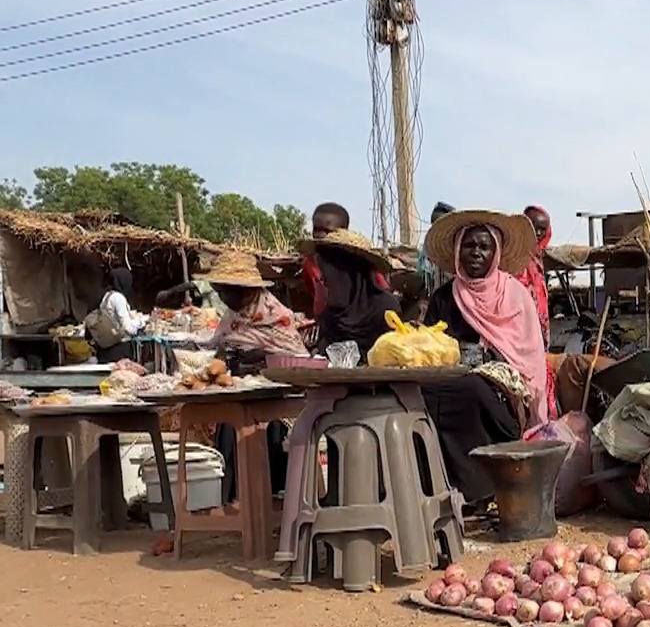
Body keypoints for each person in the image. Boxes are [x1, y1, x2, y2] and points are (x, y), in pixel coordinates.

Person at [419, 209, 551, 505]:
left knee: (472, 389)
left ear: (496, 252)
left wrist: (485, 361)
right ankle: (439, 487)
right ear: (457, 251)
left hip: (504, 396)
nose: (475, 253)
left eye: (484, 246)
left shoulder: (515, 295)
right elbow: (429, 347)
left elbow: (528, 360)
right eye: (469, 246)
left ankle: (480, 490)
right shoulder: (443, 298)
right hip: (447, 383)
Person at [301, 226, 400, 355]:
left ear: (351, 271)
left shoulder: (386, 312)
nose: (324, 279)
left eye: (331, 269)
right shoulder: (330, 316)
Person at [202, 250, 306, 359]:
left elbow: (297, 357)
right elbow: (221, 340)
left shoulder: (275, 315)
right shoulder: (234, 314)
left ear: (247, 292)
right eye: (219, 292)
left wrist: (258, 355)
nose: (223, 299)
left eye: (225, 293)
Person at [89, 267, 148, 363]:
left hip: (105, 348)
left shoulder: (107, 296)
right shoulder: (118, 298)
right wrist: (142, 323)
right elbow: (127, 327)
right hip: (118, 349)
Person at [519, 205, 554, 341]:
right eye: (534, 228)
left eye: (542, 229)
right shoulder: (513, 256)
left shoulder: (537, 258)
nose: (538, 233)